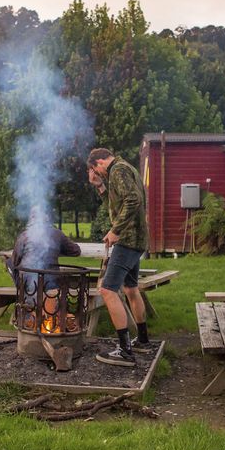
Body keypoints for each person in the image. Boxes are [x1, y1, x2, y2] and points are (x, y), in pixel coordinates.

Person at [87, 147, 151, 367]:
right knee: (131, 289)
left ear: (99, 162)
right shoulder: (124, 168)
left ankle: (125, 351)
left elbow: (133, 200)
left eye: (96, 170)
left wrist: (116, 231)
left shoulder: (117, 170)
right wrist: (100, 188)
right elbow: (118, 204)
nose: (97, 174)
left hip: (128, 240)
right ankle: (142, 341)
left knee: (107, 290)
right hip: (136, 239)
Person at [7, 208, 82, 293]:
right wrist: (58, 248)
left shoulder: (24, 236)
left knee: (9, 262)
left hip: (28, 282)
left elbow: (15, 261)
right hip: (52, 281)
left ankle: (22, 293)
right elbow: (76, 251)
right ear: (46, 218)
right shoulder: (57, 233)